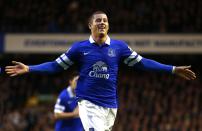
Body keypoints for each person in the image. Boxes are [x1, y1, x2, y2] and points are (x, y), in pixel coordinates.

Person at [5, 11, 196, 131]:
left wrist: (171, 69)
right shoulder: (79, 48)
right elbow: (56, 65)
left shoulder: (119, 47)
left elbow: (143, 63)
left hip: (110, 106)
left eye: (105, 20)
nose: (102, 23)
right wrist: (29, 68)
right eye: (98, 20)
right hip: (88, 103)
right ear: (90, 25)